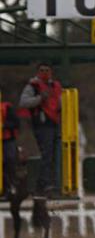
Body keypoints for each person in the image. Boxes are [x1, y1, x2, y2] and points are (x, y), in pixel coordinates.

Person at [18, 62, 61, 196]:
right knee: (47, 154)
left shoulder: (55, 86)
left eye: (47, 70)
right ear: (37, 72)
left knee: (54, 155)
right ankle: (44, 185)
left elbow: (61, 102)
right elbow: (23, 102)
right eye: (42, 70)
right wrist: (40, 98)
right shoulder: (32, 86)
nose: (44, 72)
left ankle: (48, 184)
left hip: (55, 123)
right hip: (42, 124)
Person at [1, 97, 20, 193]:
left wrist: (4, 125)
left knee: (10, 161)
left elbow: (16, 122)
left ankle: (12, 186)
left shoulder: (7, 108)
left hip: (7, 140)